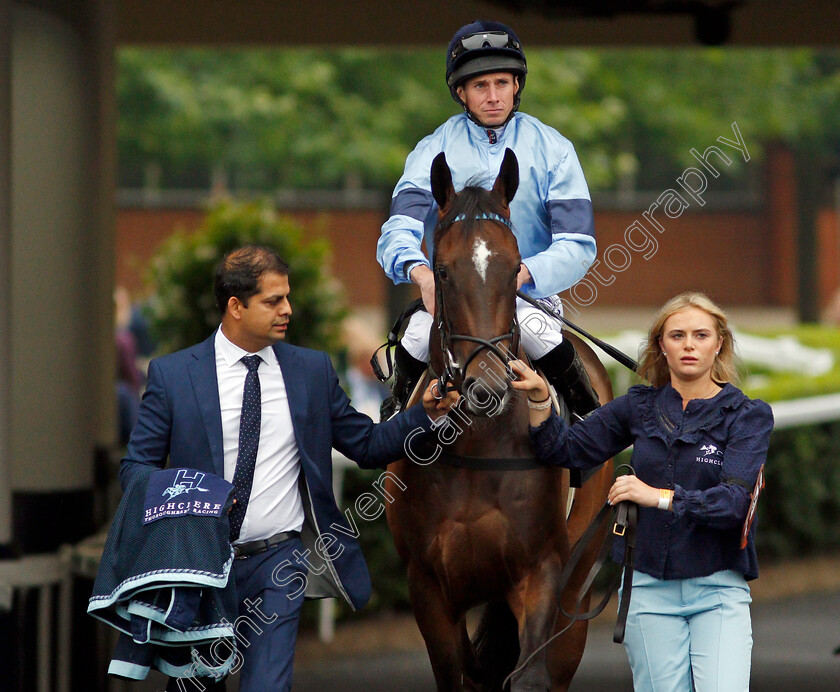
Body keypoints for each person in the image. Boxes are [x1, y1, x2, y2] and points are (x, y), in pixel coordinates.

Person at [119, 245, 456, 691]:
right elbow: (136, 469)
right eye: (273, 301)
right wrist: (194, 498)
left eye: (288, 297)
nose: (288, 310)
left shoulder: (311, 371)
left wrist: (424, 414)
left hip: (279, 564)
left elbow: (368, 444)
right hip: (200, 566)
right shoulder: (173, 375)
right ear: (236, 307)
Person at [509, 292, 774, 691]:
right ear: (660, 346)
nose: (688, 345)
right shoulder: (638, 406)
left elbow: (734, 505)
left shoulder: (748, 416)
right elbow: (565, 450)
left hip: (718, 592)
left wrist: (656, 496)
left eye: (701, 335)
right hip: (647, 593)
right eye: (677, 335)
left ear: (719, 343)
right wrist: (541, 400)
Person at [377, 19, 599, 420]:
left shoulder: (555, 149)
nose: (493, 96)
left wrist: (522, 274)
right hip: (451, 293)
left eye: (502, 82)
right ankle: (394, 425)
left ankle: (587, 423)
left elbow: (578, 243)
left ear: (517, 85)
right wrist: (420, 274)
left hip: (526, 292)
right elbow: (399, 230)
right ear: (461, 92)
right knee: (412, 336)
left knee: (539, 332)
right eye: (481, 86)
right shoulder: (430, 150)